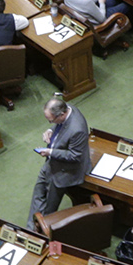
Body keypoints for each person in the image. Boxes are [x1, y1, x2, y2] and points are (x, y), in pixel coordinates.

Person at [28, 95, 88, 225]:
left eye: (51, 121)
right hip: (50, 163)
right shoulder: (67, 107)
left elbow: (75, 155)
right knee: (38, 195)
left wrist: (51, 152)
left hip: (64, 172)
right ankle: (30, 229)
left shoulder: (77, 129)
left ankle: (42, 232)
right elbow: (59, 126)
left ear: (61, 114)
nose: (51, 123)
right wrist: (50, 129)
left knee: (48, 208)